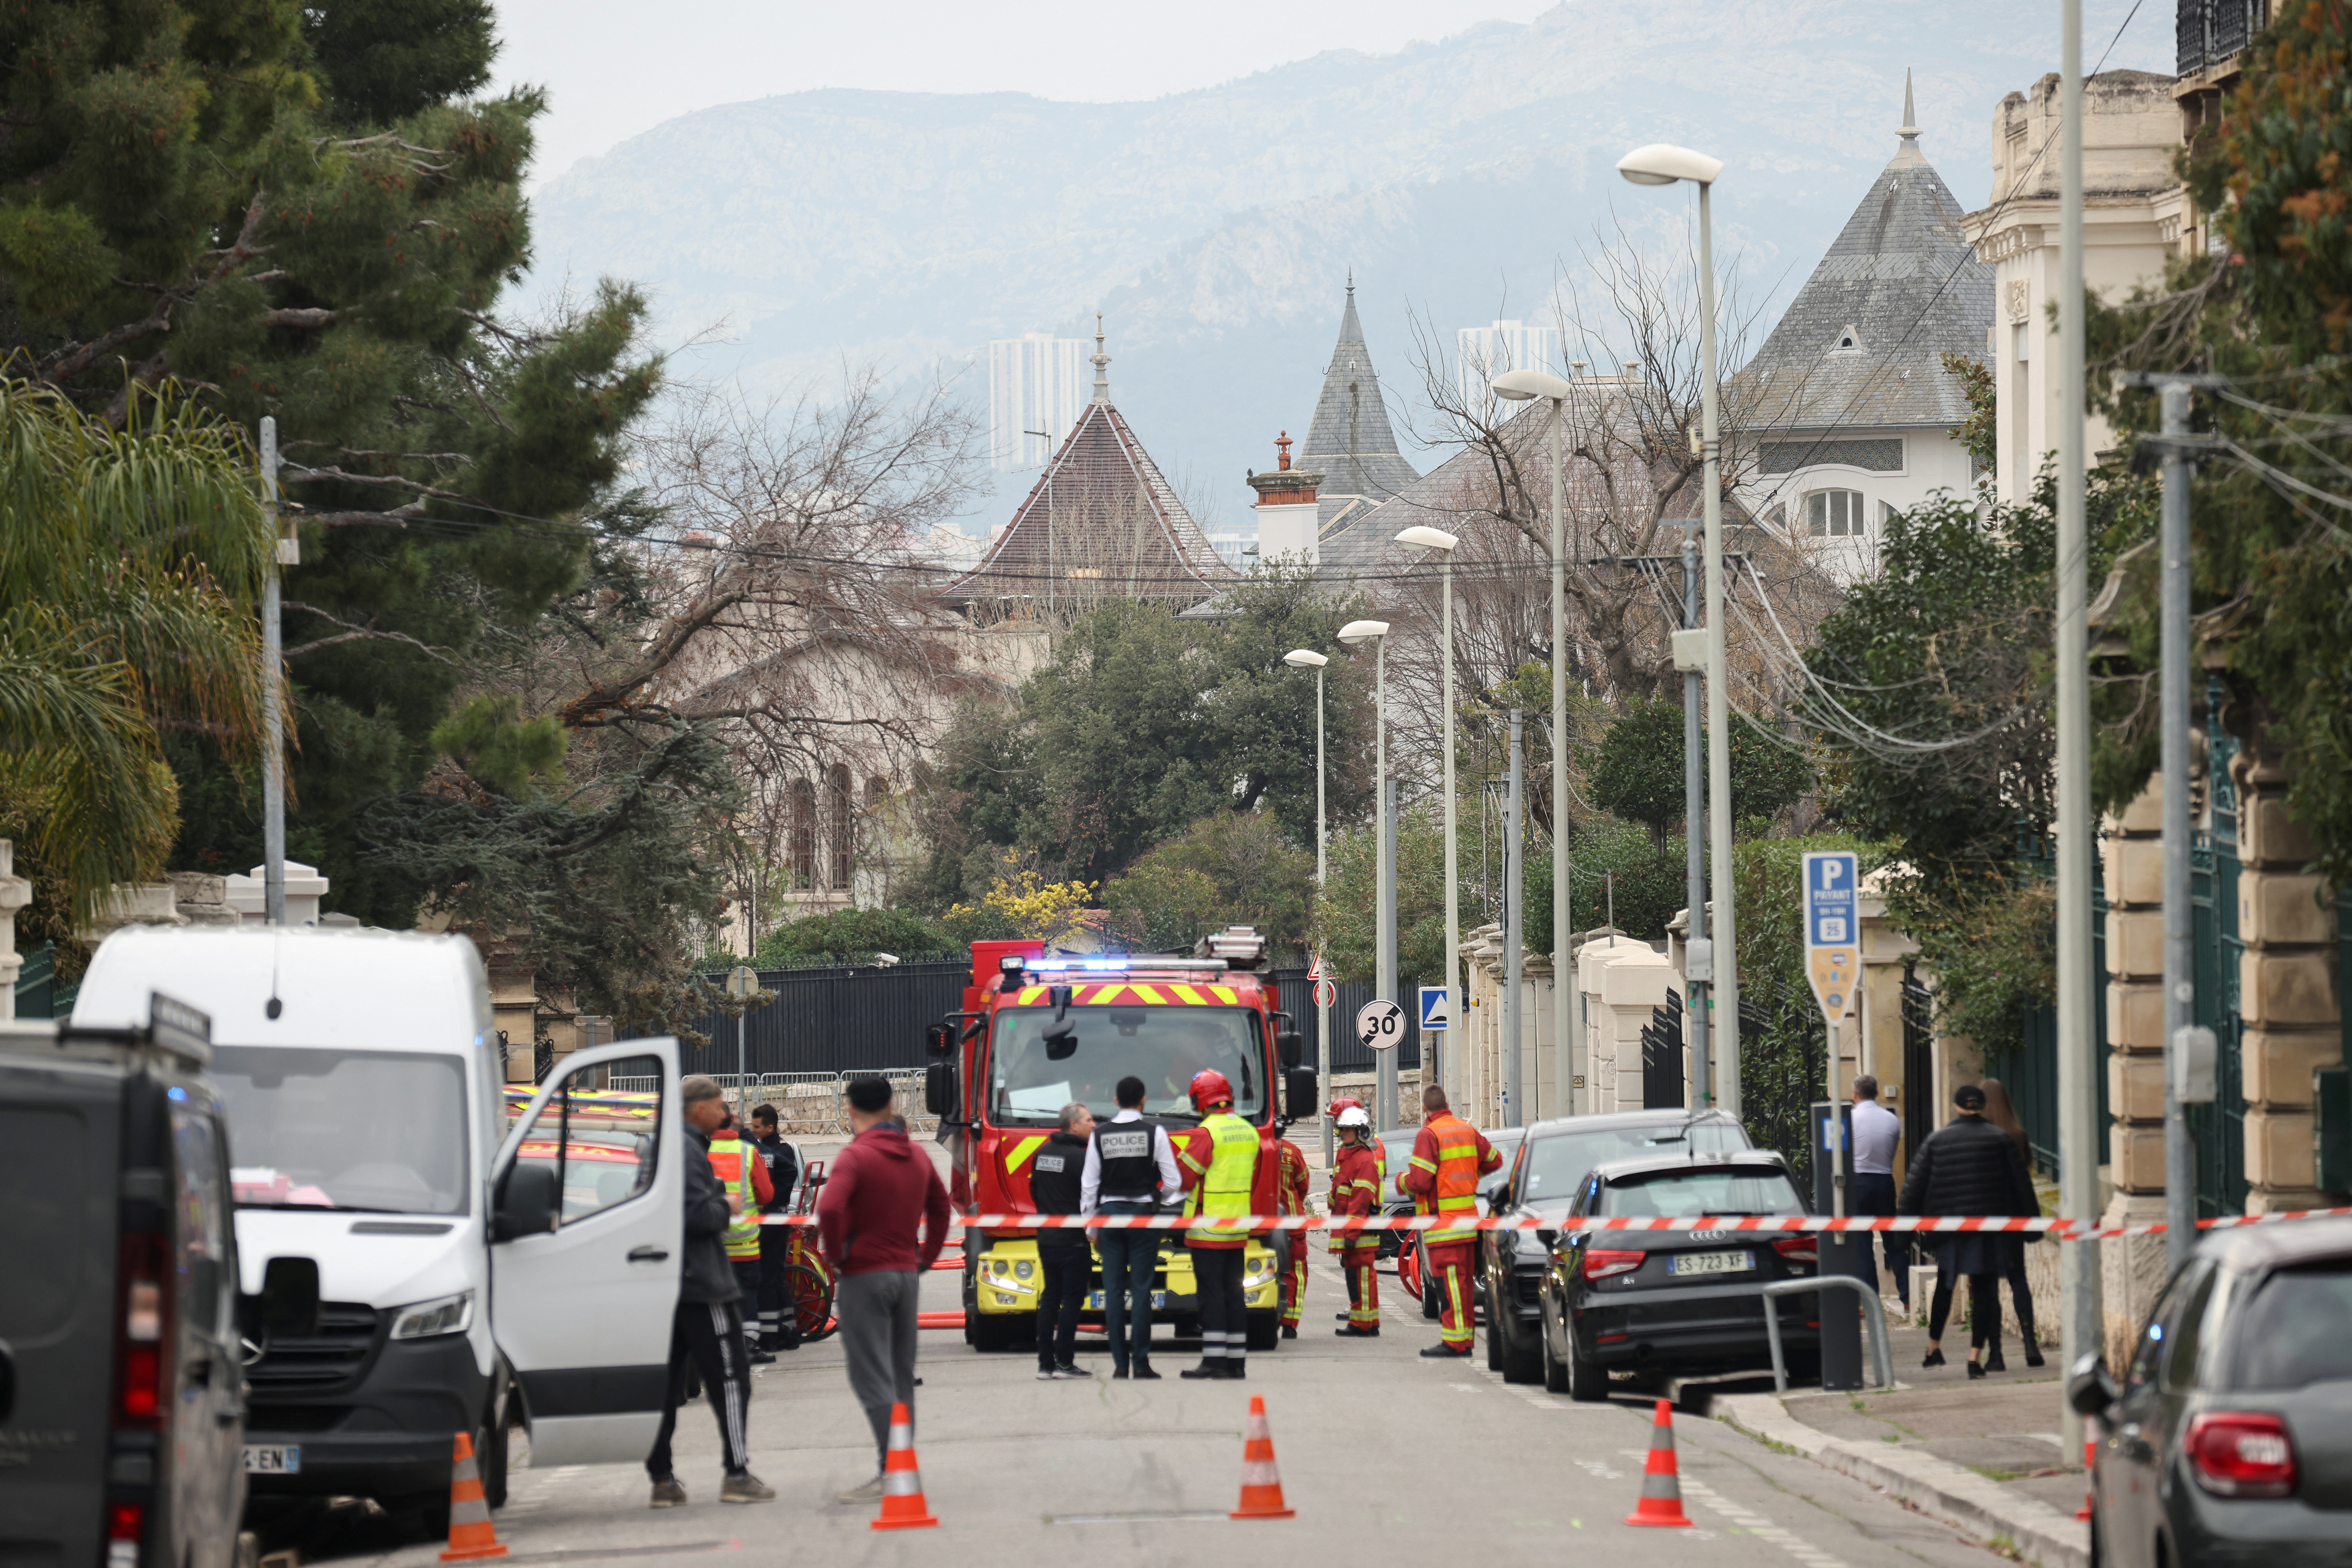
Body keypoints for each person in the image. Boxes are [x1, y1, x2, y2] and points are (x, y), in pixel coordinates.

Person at [816, 1074, 951, 1501]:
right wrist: (926, 1256)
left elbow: (831, 1207)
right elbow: (941, 1205)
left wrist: (837, 1257)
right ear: (892, 1104)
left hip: (864, 1274)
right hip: (905, 1273)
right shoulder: (916, 1155)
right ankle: (901, 1462)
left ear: (850, 1109)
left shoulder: (855, 1157)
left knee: (870, 1374)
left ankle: (890, 1468)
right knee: (900, 1374)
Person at [645, 1076, 773, 1507]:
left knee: (664, 1387)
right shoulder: (686, 1149)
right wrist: (726, 1204)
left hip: (666, 1284)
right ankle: (736, 1473)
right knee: (732, 1379)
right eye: (719, 1105)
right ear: (698, 1108)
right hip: (701, 1284)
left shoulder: (665, 1145)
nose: (726, 1113)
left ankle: (662, 1481)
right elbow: (696, 1214)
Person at [1899, 1082, 2037, 1376]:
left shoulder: (1937, 1141)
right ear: (1982, 1107)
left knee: (1945, 1286)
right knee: (1985, 1289)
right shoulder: (2001, 1139)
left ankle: (1934, 1348)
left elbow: (1913, 1188)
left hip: (1949, 1229)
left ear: (1956, 1106)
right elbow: (2022, 1186)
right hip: (1990, 1229)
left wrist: (1902, 1231)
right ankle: (1975, 1359)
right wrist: (2032, 1224)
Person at [1081, 1073, 1180, 1380]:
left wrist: (1090, 1225)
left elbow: (1089, 1185)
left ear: (1115, 1101)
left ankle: (1120, 1365)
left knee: (1113, 1291)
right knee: (1141, 1290)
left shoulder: (1100, 1135)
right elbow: (1174, 1182)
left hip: (1109, 1216)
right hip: (1143, 1216)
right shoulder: (1156, 1133)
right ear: (1143, 1100)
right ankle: (1141, 1362)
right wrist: (1156, 1198)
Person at [1175, 1068, 1263, 1380]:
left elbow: (1184, 1179)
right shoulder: (1249, 1131)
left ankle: (1214, 1361)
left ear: (1201, 1099)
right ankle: (1237, 1363)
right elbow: (1252, 1178)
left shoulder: (1205, 1132)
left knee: (1211, 1296)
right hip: (1237, 1228)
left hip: (1206, 1228)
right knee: (1233, 1294)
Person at [1400, 1084, 1499, 1358]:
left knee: (1449, 1286)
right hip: (1468, 1223)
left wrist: (1401, 1182)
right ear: (1447, 1104)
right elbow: (1494, 1160)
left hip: (1443, 1225)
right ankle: (1464, 1340)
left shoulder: (1429, 1134)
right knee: (1464, 1285)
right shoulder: (1466, 1130)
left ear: (1424, 1108)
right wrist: (1468, 1171)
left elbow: (1419, 1182)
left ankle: (1455, 1343)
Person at [1977, 1078, 2044, 1365]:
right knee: (2019, 1279)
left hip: (1983, 1220)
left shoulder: (1977, 1136)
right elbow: (2027, 1170)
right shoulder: (2018, 1134)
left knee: (1988, 1285)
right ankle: (2030, 1344)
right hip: (2013, 1218)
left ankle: (1996, 1353)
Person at [1029, 1101, 1095, 1379]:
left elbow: (1034, 1191)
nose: (1094, 1124)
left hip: (1047, 1238)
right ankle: (1065, 1363)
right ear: (1074, 1125)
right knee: (1071, 1301)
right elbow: (1091, 1197)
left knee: (1049, 1299)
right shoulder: (1080, 1158)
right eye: (1089, 1120)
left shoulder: (1041, 1154)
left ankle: (1046, 1365)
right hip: (1073, 1240)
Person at [705, 1113, 774, 1364]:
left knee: (711, 1297)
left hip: (711, 1241)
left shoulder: (700, 1151)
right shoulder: (748, 1152)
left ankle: (716, 1349)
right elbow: (766, 1195)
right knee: (746, 1292)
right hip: (744, 1242)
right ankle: (747, 1347)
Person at [1848, 1076, 1909, 1312]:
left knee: (1862, 1244)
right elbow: (1893, 1151)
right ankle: (1907, 1298)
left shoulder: (1851, 1119)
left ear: (1855, 1093)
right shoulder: (1891, 1119)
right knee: (1893, 1241)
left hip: (1859, 1181)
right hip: (1885, 1180)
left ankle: (1869, 1301)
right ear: (1876, 1093)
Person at [748, 1105, 801, 1353]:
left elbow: (788, 1173)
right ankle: (787, 1329)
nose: (752, 1129)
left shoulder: (774, 1150)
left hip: (771, 1220)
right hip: (775, 1219)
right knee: (776, 1276)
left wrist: (772, 1201)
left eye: (757, 1126)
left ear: (770, 1127)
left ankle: (773, 1334)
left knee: (768, 1277)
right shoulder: (771, 1148)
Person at [1329, 1105, 1382, 1337]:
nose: (1342, 1134)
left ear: (1360, 1132)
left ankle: (1363, 1324)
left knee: (1360, 1276)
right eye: (1341, 1129)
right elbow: (1340, 1191)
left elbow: (1360, 1201)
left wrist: (1351, 1233)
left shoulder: (1364, 1161)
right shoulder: (1349, 1156)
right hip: (1350, 1228)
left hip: (1359, 1231)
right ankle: (1368, 1322)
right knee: (1357, 1275)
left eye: (1347, 1130)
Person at [1275, 1131, 1310, 1338]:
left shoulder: (1250, 1148)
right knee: (1296, 1273)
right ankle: (1290, 1324)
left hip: (1257, 1220)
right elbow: (1303, 1185)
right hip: (1292, 1220)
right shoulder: (1291, 1151)